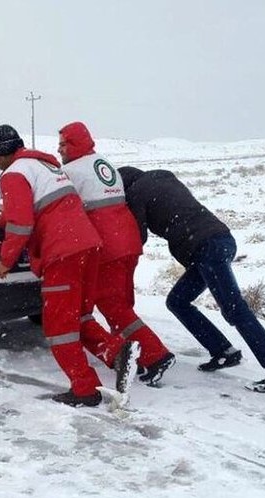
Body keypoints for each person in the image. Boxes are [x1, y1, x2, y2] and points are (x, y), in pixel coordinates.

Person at [0, 124, 131, 407]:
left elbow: (22, 224)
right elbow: (40, 210)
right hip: (88, 245)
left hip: (62, 253)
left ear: (2, 154)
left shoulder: (13, 174)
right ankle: (117, 352)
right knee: (78, 317)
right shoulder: (44, 166)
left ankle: (85, 389)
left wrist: (5, 261)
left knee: (58, 326)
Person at [119, 166, 265, 392]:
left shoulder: (136, 192)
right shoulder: (163, 176)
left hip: (205, 248)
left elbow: (138, 236)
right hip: (221, 240)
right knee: (178, 301)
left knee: (235, 309)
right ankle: (223, 351)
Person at [58, 121, 175, 386]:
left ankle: (156, 356)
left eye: (64, 143)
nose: (59, 148)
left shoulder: (72, 171)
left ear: (75, 143)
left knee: (113, 306)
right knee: (122, 302)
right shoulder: (103, 163)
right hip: (128, 239)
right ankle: (133, 353)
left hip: (107, 246)